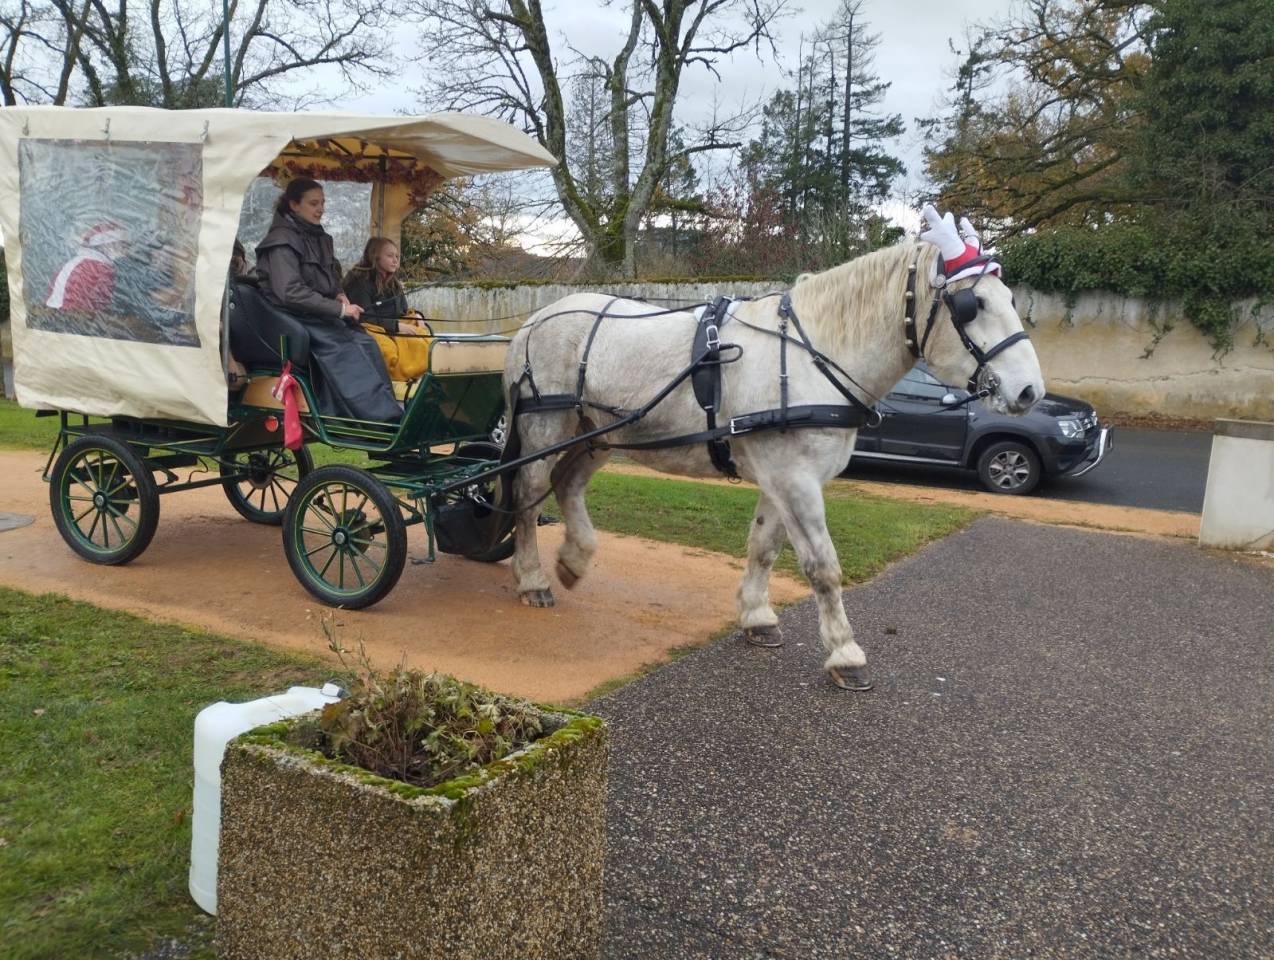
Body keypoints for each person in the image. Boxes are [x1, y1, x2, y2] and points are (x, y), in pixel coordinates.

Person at [254, 178, 402, 423]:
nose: (321, 209)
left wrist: (339, 294)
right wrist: (340, 309)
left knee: (366, 342)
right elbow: (290, 292)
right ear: (293, 204)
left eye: (322, 202)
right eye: (314, 203)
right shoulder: (281, 241)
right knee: (345, 348)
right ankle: (374, 419)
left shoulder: (317, 237)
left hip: (318, 315)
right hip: (291, 319)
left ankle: (386, 411)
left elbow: (328, 278)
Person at [46, 220, 128, 312]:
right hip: (76, 318)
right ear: (108, 245)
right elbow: (100, 306)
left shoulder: (77, 262)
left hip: (55, 314)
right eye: (122, 246)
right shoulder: (101, 268)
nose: (126, 252)